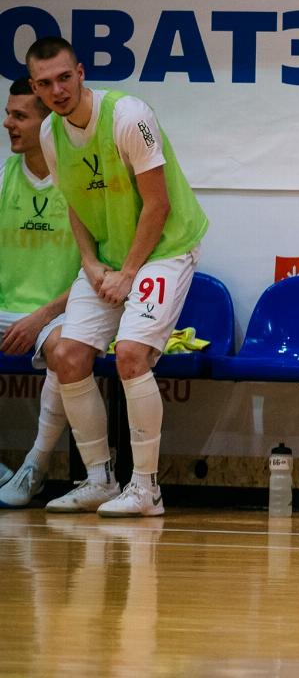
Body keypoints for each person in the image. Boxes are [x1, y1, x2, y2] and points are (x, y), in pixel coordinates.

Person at [27, 36, 210, 518]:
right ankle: (98, 480)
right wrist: (89, 263)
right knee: (67, 355)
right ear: (35, 88)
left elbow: (158, 203)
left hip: (165, 249)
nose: (58, 90)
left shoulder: (129, 116)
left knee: (130, 355)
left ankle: (146, 489)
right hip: (109, 257)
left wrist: (128, 273)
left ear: (81, 73)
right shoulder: (49, 134)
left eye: (64, 78)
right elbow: (76, 205)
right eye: (45, 83)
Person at [0, 77, 80, 507]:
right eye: (7, 114)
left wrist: (40, 317)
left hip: (62, 312)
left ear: (47, 123)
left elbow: (98, 271)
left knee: (65, 350)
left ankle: (36, 465)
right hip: (5, 310)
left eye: (19, 116)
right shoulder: (3, 178)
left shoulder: (79, 182)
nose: (7, 124)